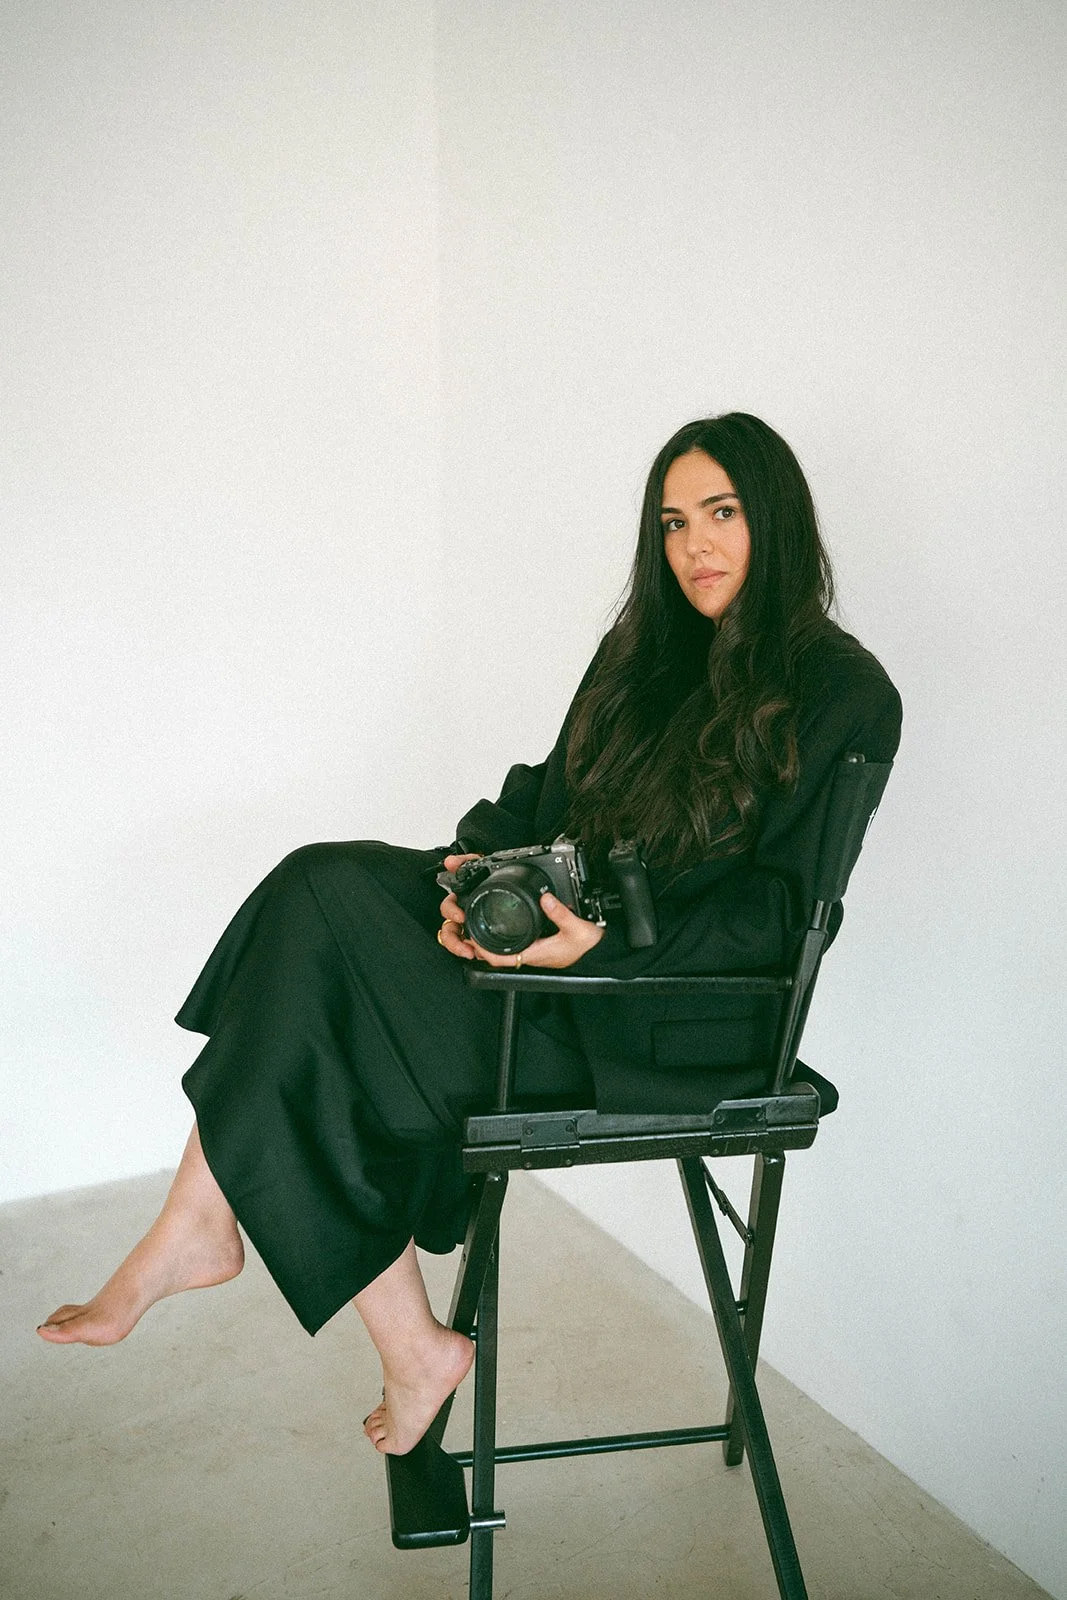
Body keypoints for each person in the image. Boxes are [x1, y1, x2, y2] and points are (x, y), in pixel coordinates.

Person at [36, 413, 902, 1459]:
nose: (692, 547)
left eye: (720, 514)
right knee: (321, 884)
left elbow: (783, 913)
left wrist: (607, 944)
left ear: (775, 519)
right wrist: (469, 872)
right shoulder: (647, 651)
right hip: (552, 961)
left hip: (651, 1017)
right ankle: (312, 1288)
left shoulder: (844, 692)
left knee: (322, 944)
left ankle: (248, 1250)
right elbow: (545, 797)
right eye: (671, 522)